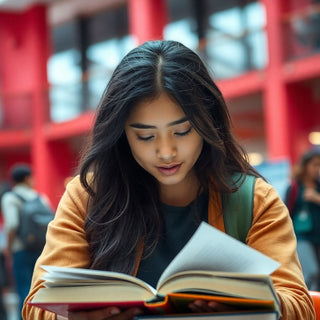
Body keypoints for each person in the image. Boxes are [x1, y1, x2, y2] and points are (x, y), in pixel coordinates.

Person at [23, 40, 315, 320]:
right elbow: (38, 303)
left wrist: (250, 306)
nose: (166, 152)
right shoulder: (88, 197)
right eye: (146, 136)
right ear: (121, 134)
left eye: (183, 131)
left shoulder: (254, 200)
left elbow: (299, 305)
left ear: (207, 123)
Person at [1, 164, 51, 320]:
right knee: (41, 287)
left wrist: (8, 247)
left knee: (23, 288)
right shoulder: (40, 197)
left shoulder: (10, 197)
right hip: (41, 248)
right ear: (27, 178)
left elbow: (12, 224)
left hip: (21, 249)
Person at [285, 148, 320, 290]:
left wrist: (316, 198)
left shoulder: (318, 187)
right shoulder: (294, 187)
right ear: (305, 166)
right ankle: (307, 304)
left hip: (318, 236)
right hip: (302, 237)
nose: (317, 169)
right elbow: (286, 212)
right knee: (311, 272)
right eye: (315, 165)